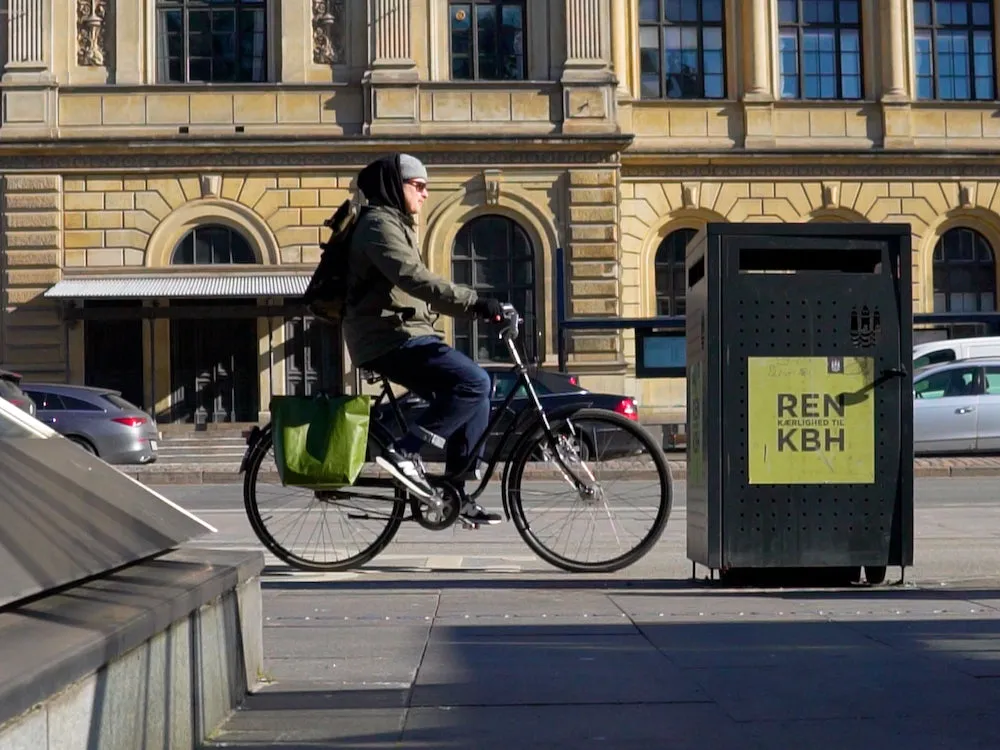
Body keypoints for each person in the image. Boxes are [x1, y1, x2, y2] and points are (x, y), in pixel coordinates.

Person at [342, 153, 504, 525]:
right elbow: (413, 279)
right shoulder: (378, 226)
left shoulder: (396, 225)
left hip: (405, 334)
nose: (425, 194)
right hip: (387, 339)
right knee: (474, 382)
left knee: (478, 392)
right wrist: (475, 301)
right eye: (418, 186)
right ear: (394, 187)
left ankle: (455, 493)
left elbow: (413, 292)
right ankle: (405, 450)